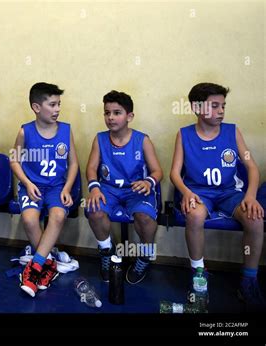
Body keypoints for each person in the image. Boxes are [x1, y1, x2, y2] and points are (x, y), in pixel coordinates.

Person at [170, 82, 265, 307]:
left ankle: (248, 281)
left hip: (229, 193)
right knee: (194, 215)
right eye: (214, 106)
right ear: (196, 107)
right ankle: (198, 274)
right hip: (199, 193)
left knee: (255, 219)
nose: (221, 111)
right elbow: (174, 172)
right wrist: (185, 192)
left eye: (223, 106)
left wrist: (250, 196)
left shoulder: (232, 131)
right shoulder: (184, 135)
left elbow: (252, 167)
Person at [85, 90, 163, 284]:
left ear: (129, 116)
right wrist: (94, 188)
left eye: (117, 112)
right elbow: (91, 168)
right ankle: (106, 252)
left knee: (144, 218)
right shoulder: (100, 139)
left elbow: (157, 171)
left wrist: (148, 182)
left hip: (135, 190)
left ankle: (144, 256)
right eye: (107, 113)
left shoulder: (142, 140)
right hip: (108, 189)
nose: (110, 117)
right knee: (94, 209)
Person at [10, 82, 79, 297]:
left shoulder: (66, 130)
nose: (58, 109)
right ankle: (49, 263)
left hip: (56, 187)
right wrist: (27, 183)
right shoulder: (25, 131)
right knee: (30, 219)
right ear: (36, 107)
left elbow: (74, 163)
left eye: (59, 104)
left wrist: (67, 188)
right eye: (52, 104)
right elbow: (14, 161)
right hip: (32, 187)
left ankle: (35, 267)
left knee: (57, 215)